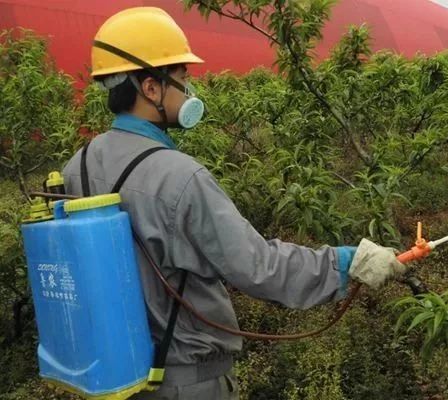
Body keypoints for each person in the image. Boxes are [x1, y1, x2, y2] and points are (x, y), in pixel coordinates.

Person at [61, 7, 408, 400]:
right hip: (184, 383)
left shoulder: (78, 166)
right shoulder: (179, 177)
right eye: (181, 78)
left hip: (114, 377)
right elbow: (259, 268)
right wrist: (348, 263)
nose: (189, 90)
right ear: (150, 88)